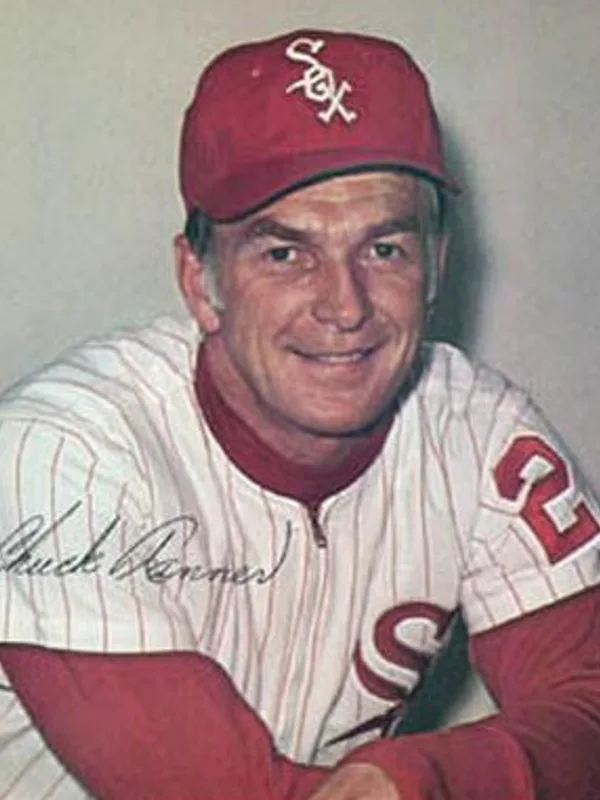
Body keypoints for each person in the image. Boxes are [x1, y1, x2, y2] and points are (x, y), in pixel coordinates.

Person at [0, 27, 599, 800]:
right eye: (285, 253)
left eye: (384, 249)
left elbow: (587, 700)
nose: (344, 307)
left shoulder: (479, 432)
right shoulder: (61, 455)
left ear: (436, 264)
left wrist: (419, 777)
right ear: (200, 281)